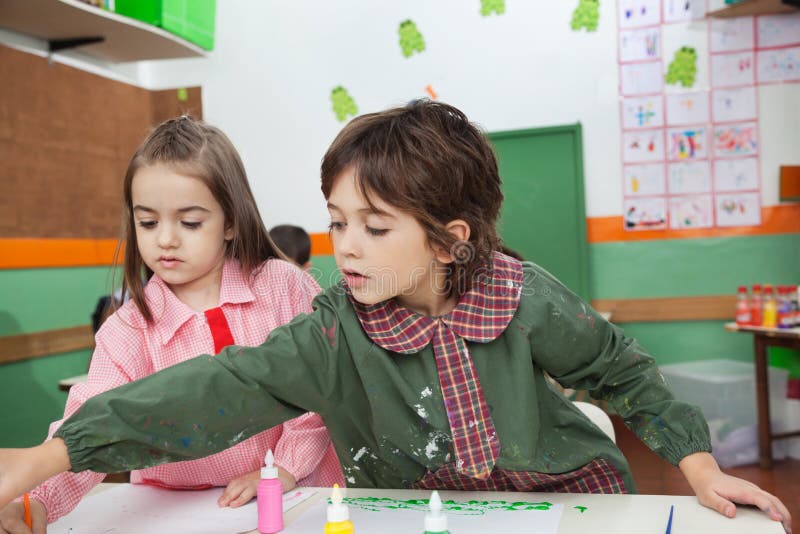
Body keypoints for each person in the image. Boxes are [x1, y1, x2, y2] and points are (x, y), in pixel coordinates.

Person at [0, 102, 790, 532]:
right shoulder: (334, 328)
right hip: (410, 515)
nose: (345, 247)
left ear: (452, 241)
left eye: (374, 228)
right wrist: (51, 458)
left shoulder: (521, 294)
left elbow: (620, 371)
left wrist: (700, 465)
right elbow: (217, 389)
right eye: (337, 222)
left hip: (567, 502)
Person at [0, 116, 342, 532]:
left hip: (293, 499)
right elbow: (86, 430)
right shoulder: (128, 329)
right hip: (169, 516)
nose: (165, 239)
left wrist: (286, 468)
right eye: (148, 222)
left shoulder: (282, 285)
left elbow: (317, 390)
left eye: (190, 222)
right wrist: (32, 505)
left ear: (230, 220)